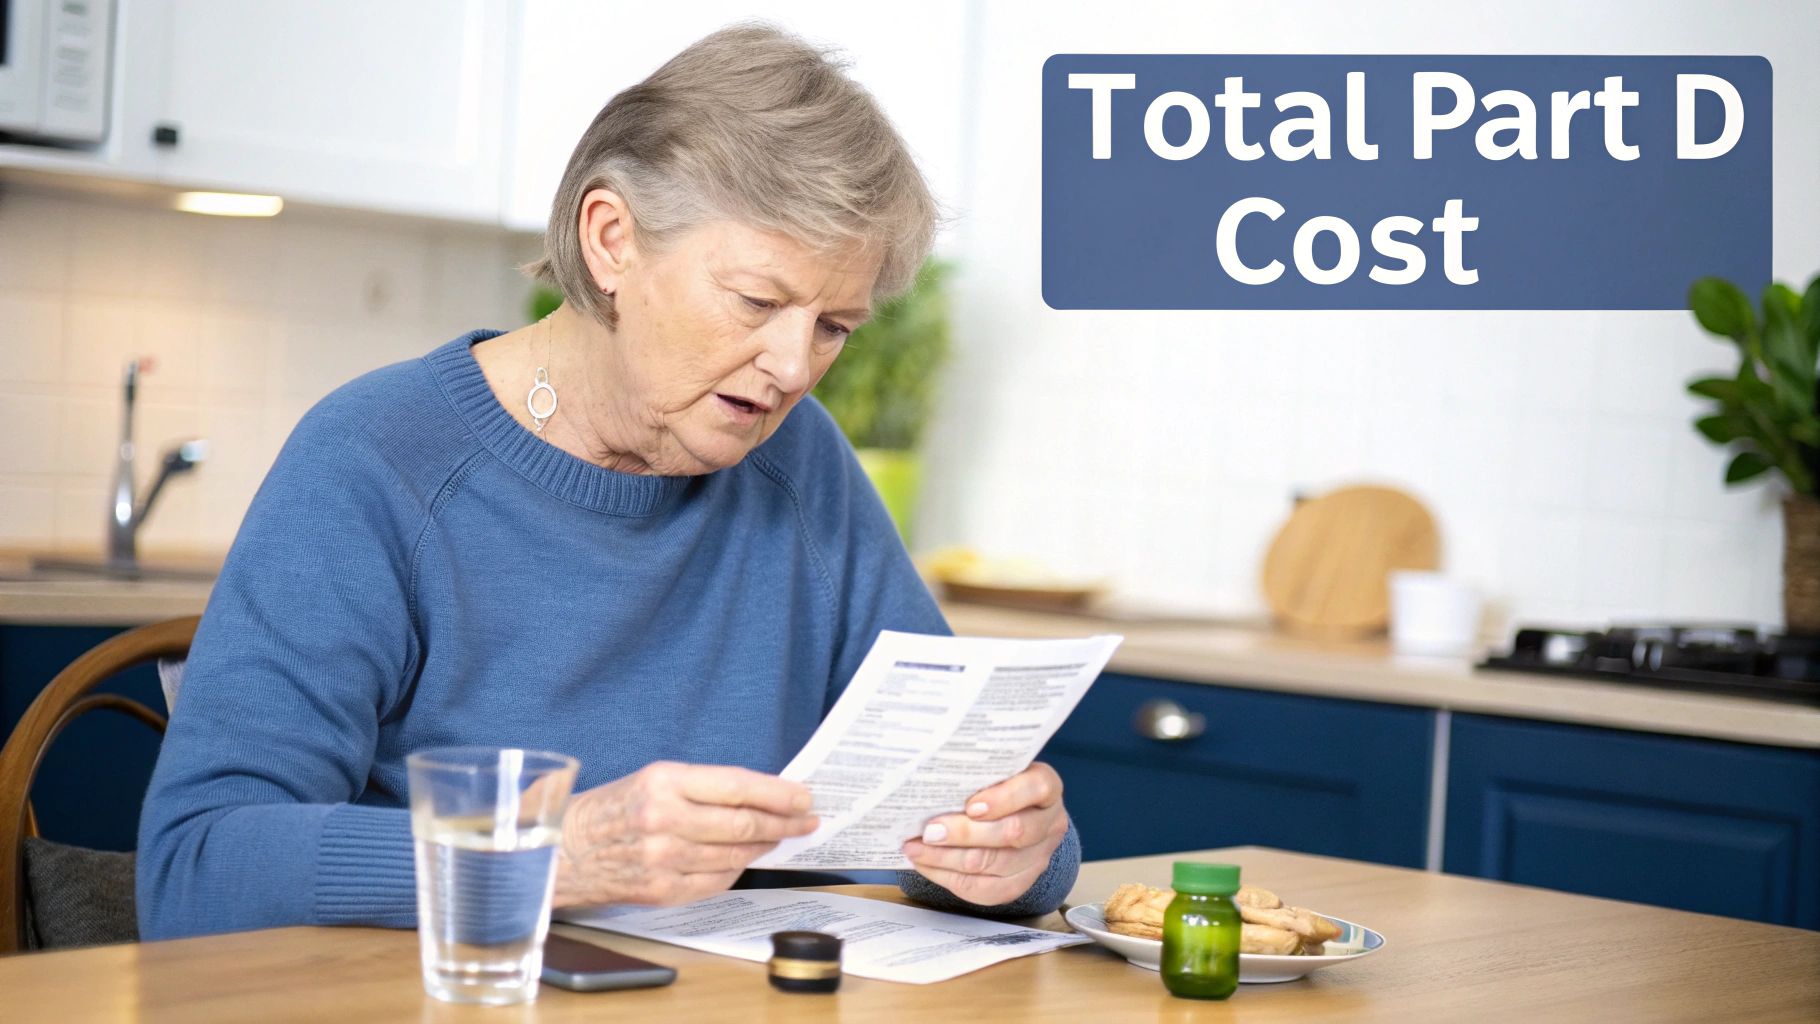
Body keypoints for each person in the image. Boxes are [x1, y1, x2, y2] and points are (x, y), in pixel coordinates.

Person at [136, 23, 1080, 939]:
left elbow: (970, 808)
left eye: (835, 325)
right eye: (757, 301)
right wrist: (553, 853)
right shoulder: (376, 460)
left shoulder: (802, 464)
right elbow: (198, 867)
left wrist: (1014, 855)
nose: (794, 367)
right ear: (611, 239)